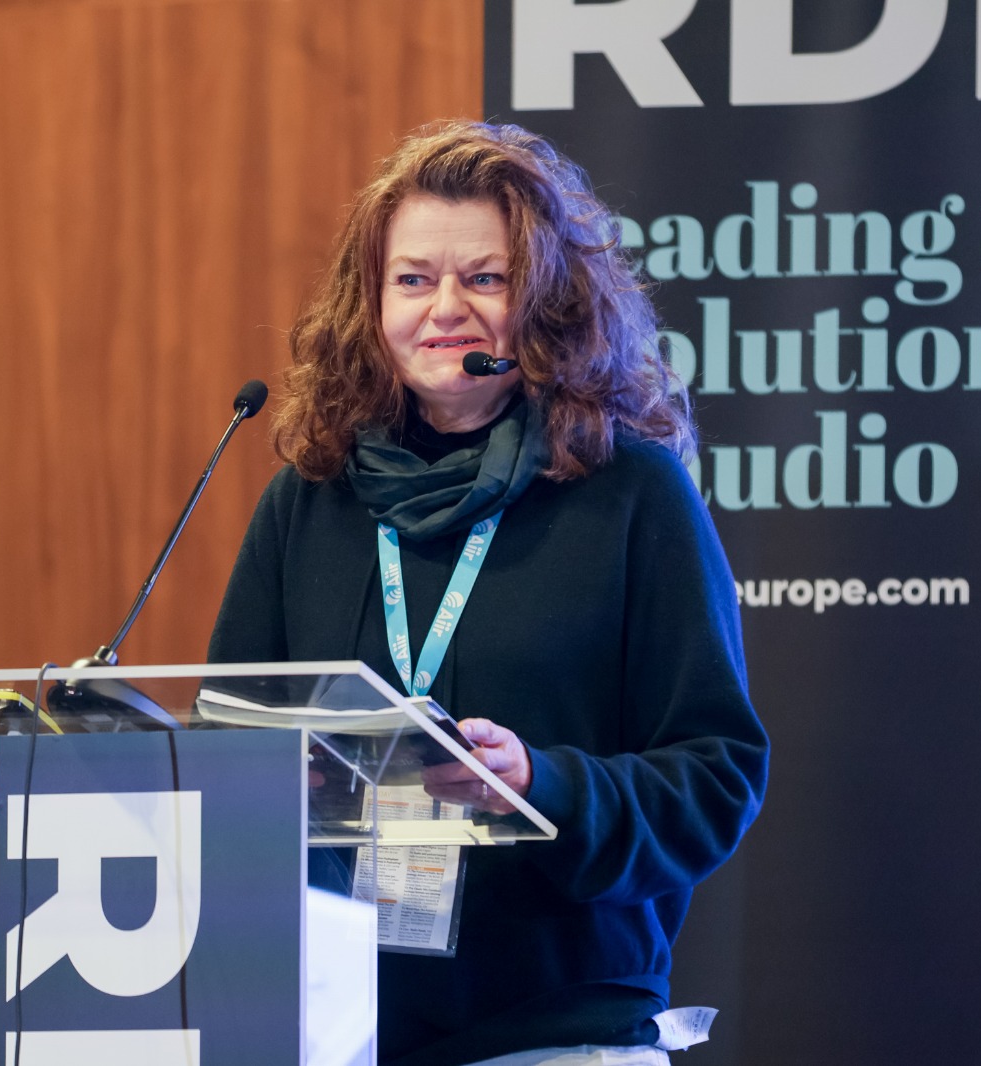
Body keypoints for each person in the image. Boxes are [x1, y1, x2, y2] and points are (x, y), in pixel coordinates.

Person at [208, 120, 768, 1066]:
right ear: (369, 304)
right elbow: (230, 738)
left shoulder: (630, 493)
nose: (446, 309)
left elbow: (717, 778)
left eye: (486, 278)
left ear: (546, 301)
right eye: (413, 279)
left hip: (558, 1032)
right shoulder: (310, 498)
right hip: (331, 1029)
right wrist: (284, 777)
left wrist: (538, 783)